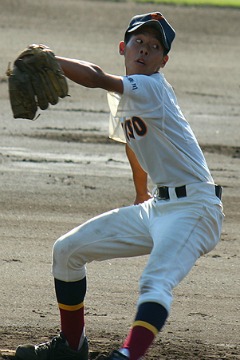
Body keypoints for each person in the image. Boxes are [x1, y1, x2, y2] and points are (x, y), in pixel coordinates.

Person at [15, 11, 224, 360]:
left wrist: (52, 60)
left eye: (154, 46)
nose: (144, 50)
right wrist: (141, 193)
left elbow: (97, 78)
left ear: (164, 60)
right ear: (123, 47)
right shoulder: (129, 98)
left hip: (195, 209)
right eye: (138, 42)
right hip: (157, 207)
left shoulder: (152, 87)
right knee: (67, 251)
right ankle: (71, 346)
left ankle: (127, 355)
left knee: (155, 283)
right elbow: (133, 143)